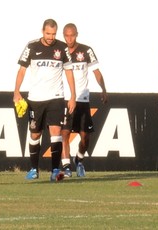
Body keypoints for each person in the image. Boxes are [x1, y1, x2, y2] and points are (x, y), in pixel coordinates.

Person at [13, 19, 76, 181]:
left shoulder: (62, 47)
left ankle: (55, 170)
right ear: (42, 31)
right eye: (48, 33)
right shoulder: (32, 46)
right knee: (35, 134)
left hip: (56, 97)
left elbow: (69, 72)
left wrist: (73, 96)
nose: (51, 37)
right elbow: (21, 70)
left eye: (54, 34)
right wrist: (16, 91)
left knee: (56, 133)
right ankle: (34, 169)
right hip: (35, 99)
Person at [61, 23, 107, 177]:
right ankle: (66, 167)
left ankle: (79, 160)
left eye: (72, 35)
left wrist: (103, 89)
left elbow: (96, 72)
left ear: (77, 34)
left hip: (82, 99)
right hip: (65, 99)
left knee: (85, 137)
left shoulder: (86, 51)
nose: (69, 38)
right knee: (65, 133)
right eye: (66, 35)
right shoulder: (59, 51)